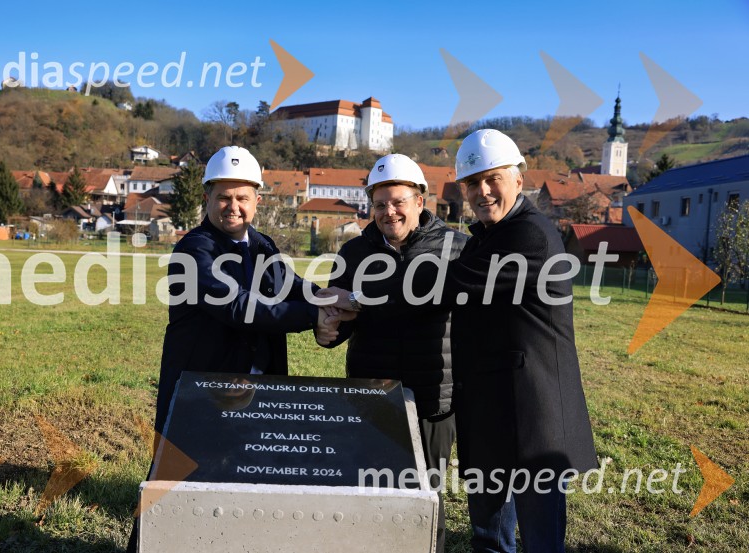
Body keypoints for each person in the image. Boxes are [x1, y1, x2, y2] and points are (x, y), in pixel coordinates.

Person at [322, 130, 596, 553]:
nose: (482, 191)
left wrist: (357, 298)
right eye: (472, 183)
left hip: (529, 412)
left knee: (540, 540)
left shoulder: (526, 236)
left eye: (493, 179)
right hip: (482, 406)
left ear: (519, 180)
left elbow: (447, 287)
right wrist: (327, 322)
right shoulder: (485, 236)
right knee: (488, 537)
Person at [128, 146, 337, 553]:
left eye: (242, 197)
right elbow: (240, 306)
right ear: (207, 198)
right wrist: (315, 315)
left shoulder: (261, 245)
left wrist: (327, 297)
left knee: (244, 489)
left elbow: (289, 284)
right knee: (171, 492)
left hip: (257, 389)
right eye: (223, 197)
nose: (233, 207)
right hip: (198, 394)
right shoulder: (194, 251)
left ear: (258, 200)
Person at [320, 154, 467, 553]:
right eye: (381, 204)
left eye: (399, 201)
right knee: (368, 486)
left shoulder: (457, 248)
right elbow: (340, 317)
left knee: (427, 493)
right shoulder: (353, 252)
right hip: (372, 393)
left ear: (421, 201)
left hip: (436, 393)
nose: (390, 212)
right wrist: (326, 330)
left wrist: (355, 300)